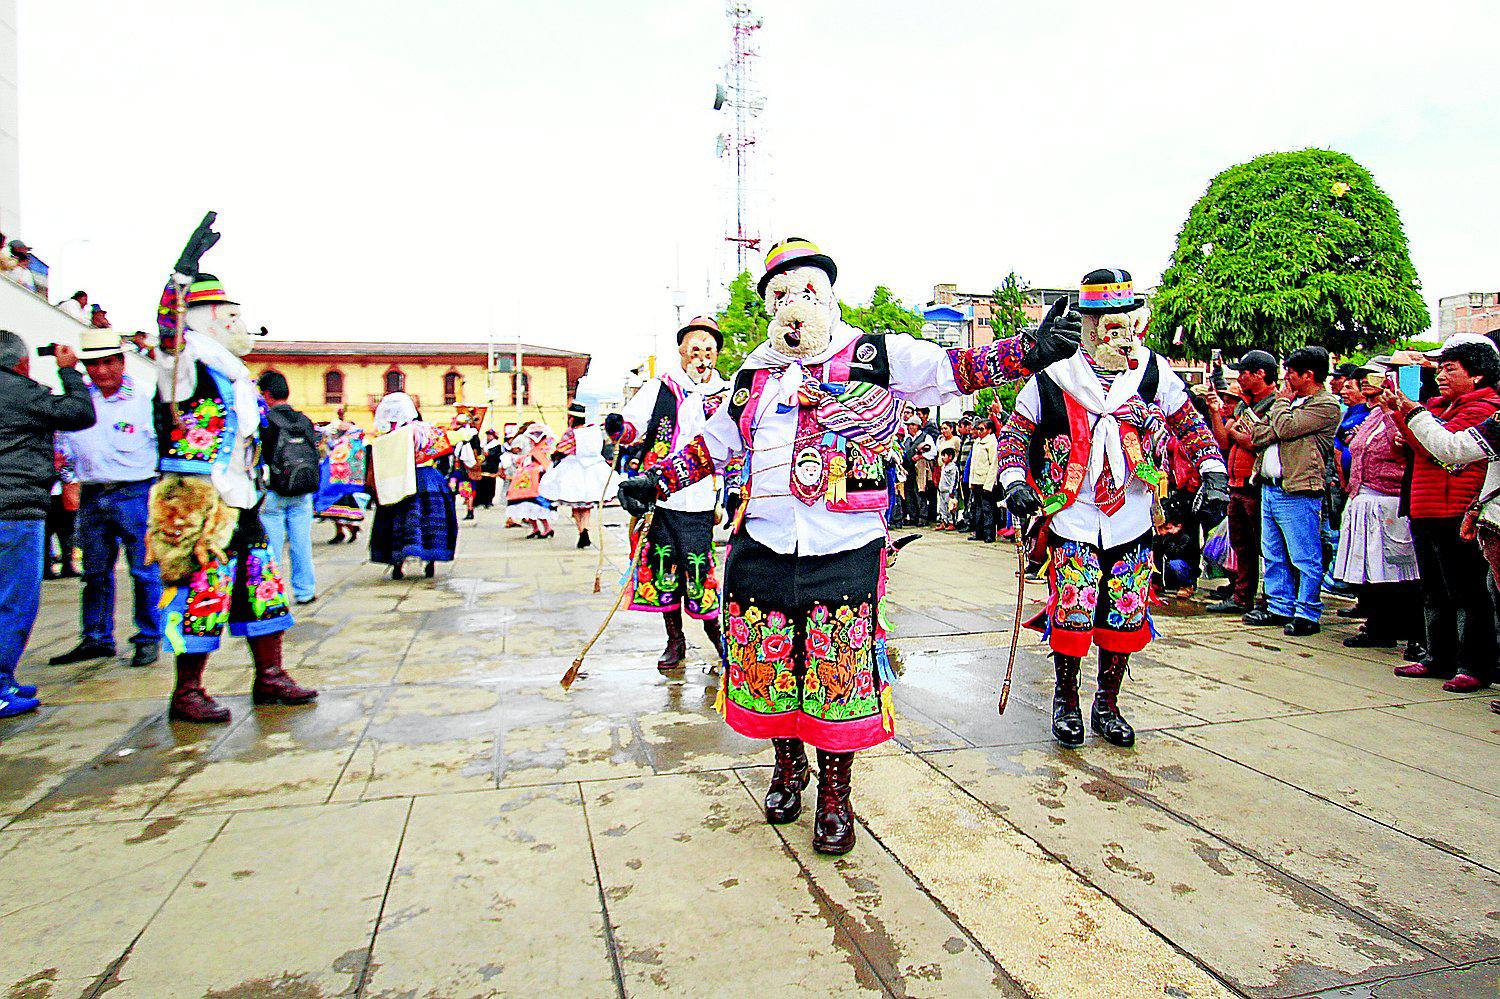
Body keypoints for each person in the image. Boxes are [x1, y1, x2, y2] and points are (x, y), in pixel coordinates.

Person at [620, 237, 1077, 854]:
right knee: (769, 667)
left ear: (830, 297)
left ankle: (836, 791)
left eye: (808, 291)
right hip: (763, 542)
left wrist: (1028, 351)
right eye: (781, 295)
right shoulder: (753, 373)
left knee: (840, 674)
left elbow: (952, 370)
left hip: (847, 543)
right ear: (769, 306)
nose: (795, 305)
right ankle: (788, 764)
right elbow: (714, 446)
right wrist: (657, 481)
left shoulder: (876, 354)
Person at [1000, 268, 1229, 750]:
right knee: (1074, 607)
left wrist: (1213, 470)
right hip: (1072, 512)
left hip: (1132, 514)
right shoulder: (1053, 374)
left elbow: (1189, 423)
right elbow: (1016, 434)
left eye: (1124, 319)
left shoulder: (1151, 371)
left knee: (1124, 611)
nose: (1117, 332)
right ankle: (1066, 699)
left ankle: (1107, 703)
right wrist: (1014, 480)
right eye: (1107, 321)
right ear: (1087, 324)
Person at [150, 218, 316, 724]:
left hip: (241, 496)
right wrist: (180, 278)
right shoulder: (183, 365)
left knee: (262, 586)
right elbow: (168, 333)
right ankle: (187, 690)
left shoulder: (233, 371)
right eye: (231, 315)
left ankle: (270, 676)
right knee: (199, 592)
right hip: (200, 500)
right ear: (208, 318)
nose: (239, 323)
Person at [605, 315, 730, 670]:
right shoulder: (661, 387)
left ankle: (718, 640)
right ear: (681, 352)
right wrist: (618, 427)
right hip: (660, 496)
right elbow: (632, 426)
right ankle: (675, 640)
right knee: (664, 567)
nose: (701, 358)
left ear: (716, 354)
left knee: (699, 570)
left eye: (708, 350)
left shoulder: (726, 392)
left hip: (702, 497)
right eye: (694, 350)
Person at [1380, 369, 1500, 713]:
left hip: (1454, 506)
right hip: (1428, 505)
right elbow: (1418, 448)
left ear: (1477, 375)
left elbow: (1445, 450)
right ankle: (1439, 656)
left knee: (1468, 593)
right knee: (1435, 589)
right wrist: (1407, 420)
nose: (1441, 375)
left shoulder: (1484, 408)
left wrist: (1409, 416)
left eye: (1451, 367)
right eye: (1441, 368)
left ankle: (1472, 665)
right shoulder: (1439, 407)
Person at [50, 329, 164, 668]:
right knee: (94, 572)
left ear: (121, 361)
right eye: (93, 364)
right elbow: (63, 444)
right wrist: (68, 481)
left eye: (108, 362)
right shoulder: (80, 401)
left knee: (143, 571)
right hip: (92, 494)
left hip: (136, 492)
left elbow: (163, 445)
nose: (101, 371)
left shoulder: (144, 397)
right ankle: (96, 637)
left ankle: (149, 636)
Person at [0, 333, 95, 716]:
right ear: (21, 363)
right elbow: (80, 413)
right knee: (14, 601)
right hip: (14, 510)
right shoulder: (21, 392)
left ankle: (5, 679)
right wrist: (68, 371)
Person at [1240, 347, 1340, 636]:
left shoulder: (1325, 405)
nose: (1286, 379)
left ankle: (1307, 611)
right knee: (1273, 553)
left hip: (1298, 489)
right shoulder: (1291, 404)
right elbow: (1259, 434)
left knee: (1304, 555)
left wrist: (1281, 406)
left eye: (1292, 373)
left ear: (1308, 375)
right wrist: (1281, 414)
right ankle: (1279, 605)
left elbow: (1283, 428)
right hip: (1270, 487)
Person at [1333, 366, 1421, 649]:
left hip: (1389, 500)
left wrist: (1393, 411)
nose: (1367, 384)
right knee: (1371, 569)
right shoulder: (1372, 415)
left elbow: (1402, 450)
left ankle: (1402, 628)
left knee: (1394, 569)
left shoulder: (1403, 415)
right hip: (1364, 498)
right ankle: (1378, 625)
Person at [1204, 350, 1278, 613]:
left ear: (1260, 374)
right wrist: (1215, 412)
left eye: (1244, 373)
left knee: (1267, 547)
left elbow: (1256, 441)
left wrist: (1236, 432)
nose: (1240, 379)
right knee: (1241, 545)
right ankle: (1241, 596)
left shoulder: (1275, 406)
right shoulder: (1245, 406)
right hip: (1236, 484)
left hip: (1257, 485)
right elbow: (1224, 441)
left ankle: (1272, 599)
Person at [368, 391, 459, 579]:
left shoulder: (391, 435)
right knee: (430, 520)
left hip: (401, 478)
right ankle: (430, 561)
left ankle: (397, 564)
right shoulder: (427, 429)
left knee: (397, 520)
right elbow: (444, 449)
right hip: (429, 478)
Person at [257, 371, 320, 605]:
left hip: (273, 490)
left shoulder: (265, 421)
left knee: (271, 547)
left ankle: (272, 596)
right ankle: (305, 591)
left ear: (267, 394)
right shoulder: (304, 420)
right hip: (302, 489)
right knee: (301, 543)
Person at [543, 401, 616, 548]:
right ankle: (586, 528)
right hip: (592, 468)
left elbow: (562, 448)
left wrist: (555, 454)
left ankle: (581, 530)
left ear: (571, 418)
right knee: (586, 506)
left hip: (572, 468)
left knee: (576, 505)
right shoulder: (593, 431)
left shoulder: (571, 433)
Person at [314, 411, 368, 544]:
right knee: (334, 510)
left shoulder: (352, 443)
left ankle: (350, 529)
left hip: (345, 483)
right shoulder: (337, 442)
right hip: (335, 480)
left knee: (341, 509)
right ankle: (340, 532)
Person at [967, 413, 999, 542]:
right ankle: (979, 532)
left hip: (986, 480)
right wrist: (971, 481)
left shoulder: (992, 443)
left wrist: (989, 484)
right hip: (977, 480)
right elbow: (973, 464)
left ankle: (989, 534)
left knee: (988, 508)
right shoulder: (977, 442)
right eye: (978, 429)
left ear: (989, 430)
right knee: (978, 508)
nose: (979, 432)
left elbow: (994, 465)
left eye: (982, 429)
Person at [475, 429, 503, 508]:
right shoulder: (483, 443)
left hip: (491, 467)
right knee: (481, 483)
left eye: (490, 435)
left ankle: (488, 500)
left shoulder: (496, 445)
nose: (488, 437)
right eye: (488, 435)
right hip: (483, 466)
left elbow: (496, 456)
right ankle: (480, 500)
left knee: (490, 484)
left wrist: (489, 454)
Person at [935, 448, 959, 530]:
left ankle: (951, 523)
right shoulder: (944, 467)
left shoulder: (953, 467)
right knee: (942, 508)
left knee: (950, 508)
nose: (942, 458)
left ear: (950, 457)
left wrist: (952, 491)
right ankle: (943, 522)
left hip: (949, 491)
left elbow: (954, 480)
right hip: (942, 490)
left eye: (944, 456)